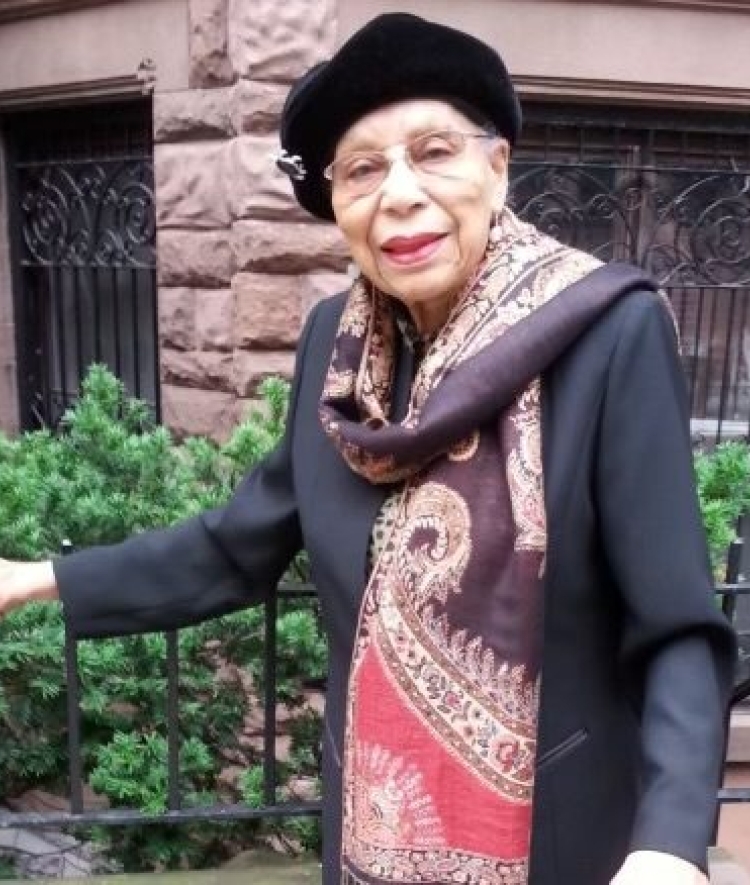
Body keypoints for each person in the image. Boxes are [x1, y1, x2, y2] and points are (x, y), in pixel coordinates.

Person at [0, 13, 737, 885]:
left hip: (569, 845)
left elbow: (677, 629)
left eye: (434, 152)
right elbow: (239, 544)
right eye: (361, 169)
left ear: (497, 167)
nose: (399, 193)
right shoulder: (333, 347)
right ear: (337, 205)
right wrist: (35, 578)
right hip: (373, 836)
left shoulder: (608, 333)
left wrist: (668, 846)